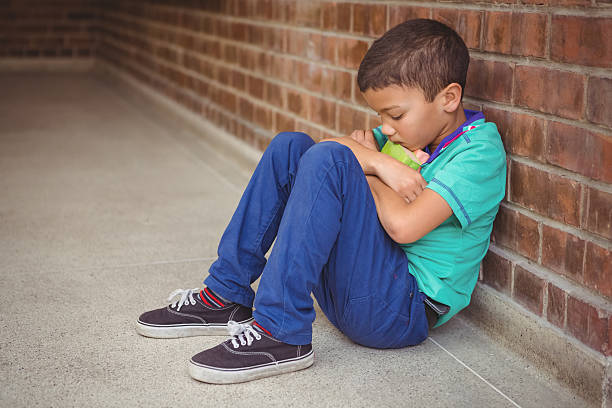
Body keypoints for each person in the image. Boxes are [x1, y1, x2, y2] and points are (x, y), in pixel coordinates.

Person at [136, 18, 507, 384]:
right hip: (358, 290)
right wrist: (380, 164)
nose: (387, 127)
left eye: (395, 115)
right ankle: (225, 295)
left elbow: (403, 226)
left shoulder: (477, 153)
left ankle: (282, 333)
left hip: (399, 311)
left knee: (331, 162)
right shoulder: (409, 135)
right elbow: (336, 147)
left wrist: (365, 168)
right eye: (380, 116)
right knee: (292, 147)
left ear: (449, 98)